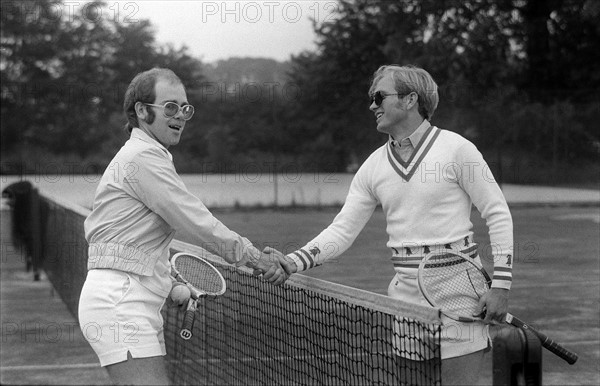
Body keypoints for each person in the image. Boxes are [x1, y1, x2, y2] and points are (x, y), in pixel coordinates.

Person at [270, 64, 513, 385]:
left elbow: (497, 211)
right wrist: (292, 261)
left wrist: (501, 286)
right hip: (405, 300)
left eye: (379, 96)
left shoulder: (457, 148)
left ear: (410, 99)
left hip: (460, 296)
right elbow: (342, 230)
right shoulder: (372, 167)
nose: (372, 105)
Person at [78, 68, 287, 385]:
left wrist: (172, 285)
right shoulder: (142, 157)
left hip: (127, 302)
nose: (181, 116)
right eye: (170, 107)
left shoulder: (147, 155)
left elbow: (137, 245)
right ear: (142, 110)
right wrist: (255, 258)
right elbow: (195, 219)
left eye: (186, 108)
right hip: (119, 304)